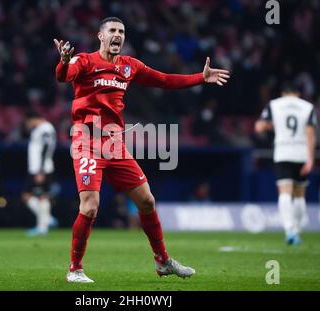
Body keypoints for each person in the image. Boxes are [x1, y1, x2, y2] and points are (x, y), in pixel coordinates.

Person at [54, 16, 230, 282]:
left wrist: (200, 78)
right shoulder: (84, 60)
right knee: (90, 206)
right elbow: (63, 76)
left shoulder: (129, 66)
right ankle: (75, 269)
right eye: (112, 30)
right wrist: (64, 60)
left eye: (121, 31)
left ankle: (163, 261)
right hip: (87, 141)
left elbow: (164, 80)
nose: (117, 35)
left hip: (114, 144)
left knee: (147, 201)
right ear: (100, 36)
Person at [255, 83, 316, 245]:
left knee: (284, 192)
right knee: (299, 193)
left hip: (283, 153)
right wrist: (311, 159)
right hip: (301, 153)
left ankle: (289, 230)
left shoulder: (274, 105)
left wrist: (270, 126)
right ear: (298, 92)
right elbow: (310, 133)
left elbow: (259, 127)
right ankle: (297, 230)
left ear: (283, 92)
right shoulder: (307, 107)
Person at [22, 110, 57, 236]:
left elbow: (46, 148)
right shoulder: (40, 129)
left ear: (33, 119)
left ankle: (43, 226)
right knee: (31, 196)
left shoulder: (45, 128)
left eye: (28, 121)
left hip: (42, 169)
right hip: (36, 168)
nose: (27, 124)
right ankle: (46, 219)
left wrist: (41, 170)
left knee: (40, 196)